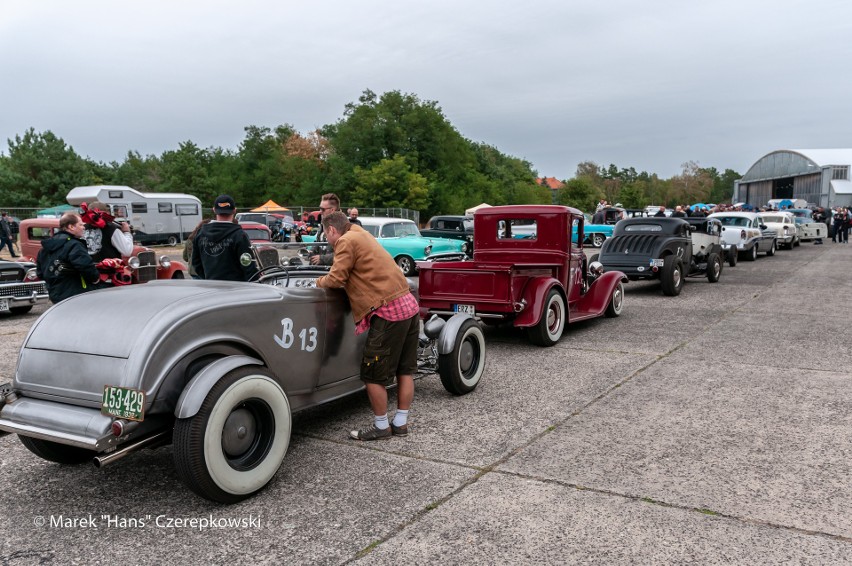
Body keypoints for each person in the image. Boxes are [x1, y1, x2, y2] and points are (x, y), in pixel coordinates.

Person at [315, 211, 419, 441]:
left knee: (372, 375)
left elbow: (335, 279)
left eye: (326, 234)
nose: (327, 238)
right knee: (404, 370)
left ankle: (381, 426)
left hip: (388, 311)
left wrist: (316, 282)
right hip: (409, 305)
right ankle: (400, 423)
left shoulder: (345, 241)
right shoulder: (361, 234)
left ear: (332, 230)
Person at [36, 212, 100, 303]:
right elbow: (86, 266)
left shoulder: (45, 248)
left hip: (55, 295)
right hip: (76, 294)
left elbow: (40, 273)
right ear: (71, 227)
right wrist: (95, 279)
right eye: (81, 224)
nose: (84, 227)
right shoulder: (74, 245)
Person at [192, 195, 258, 281]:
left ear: (214, 210)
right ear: (234, 210)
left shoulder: (200, 234)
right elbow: (248, 265)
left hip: (211, 286)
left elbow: (196, 263)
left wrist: (207, 278)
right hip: (235, 288)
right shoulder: (239, 235)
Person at [309, 193, 341, 266]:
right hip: (319, 270)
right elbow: (318, 242)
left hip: (334, 271)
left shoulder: (342, 227)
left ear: (332, 210)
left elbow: (345, 254)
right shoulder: (323, 224)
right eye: (320, 208)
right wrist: (310, 252)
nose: (320, 211)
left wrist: (322, 259)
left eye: (323, 209)